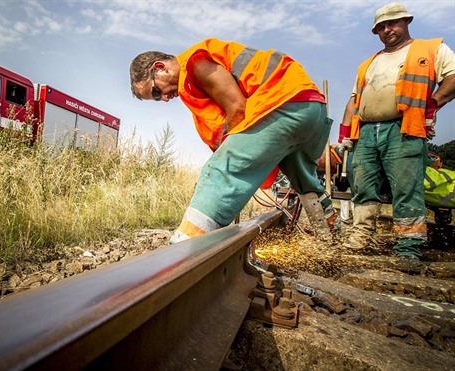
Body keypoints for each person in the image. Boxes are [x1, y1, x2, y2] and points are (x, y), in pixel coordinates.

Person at [129, 38, 337, 244]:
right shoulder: (191, 81)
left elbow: (237, 108)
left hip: (282, 102)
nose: (164, 98)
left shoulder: (195, 63)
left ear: (160, 68)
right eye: (157, 98)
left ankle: (184, 248)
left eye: (156, 92)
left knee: (221, 169)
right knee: (305, 182)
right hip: (310, 107)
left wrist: (230, 158)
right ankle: (331, 241)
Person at [337, 3, 455, 268]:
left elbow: (453, 78)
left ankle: (408, 248)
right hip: (367, 131)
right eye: (380, 27)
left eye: (391, 24)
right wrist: (345, 135)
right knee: (363, 187)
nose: (386, 30)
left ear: (406, 21)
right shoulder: (370, 63)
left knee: (406, 188)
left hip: (404, 127)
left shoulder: (430, 49)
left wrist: (433, 104)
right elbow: (354, 101)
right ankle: (361, 236)